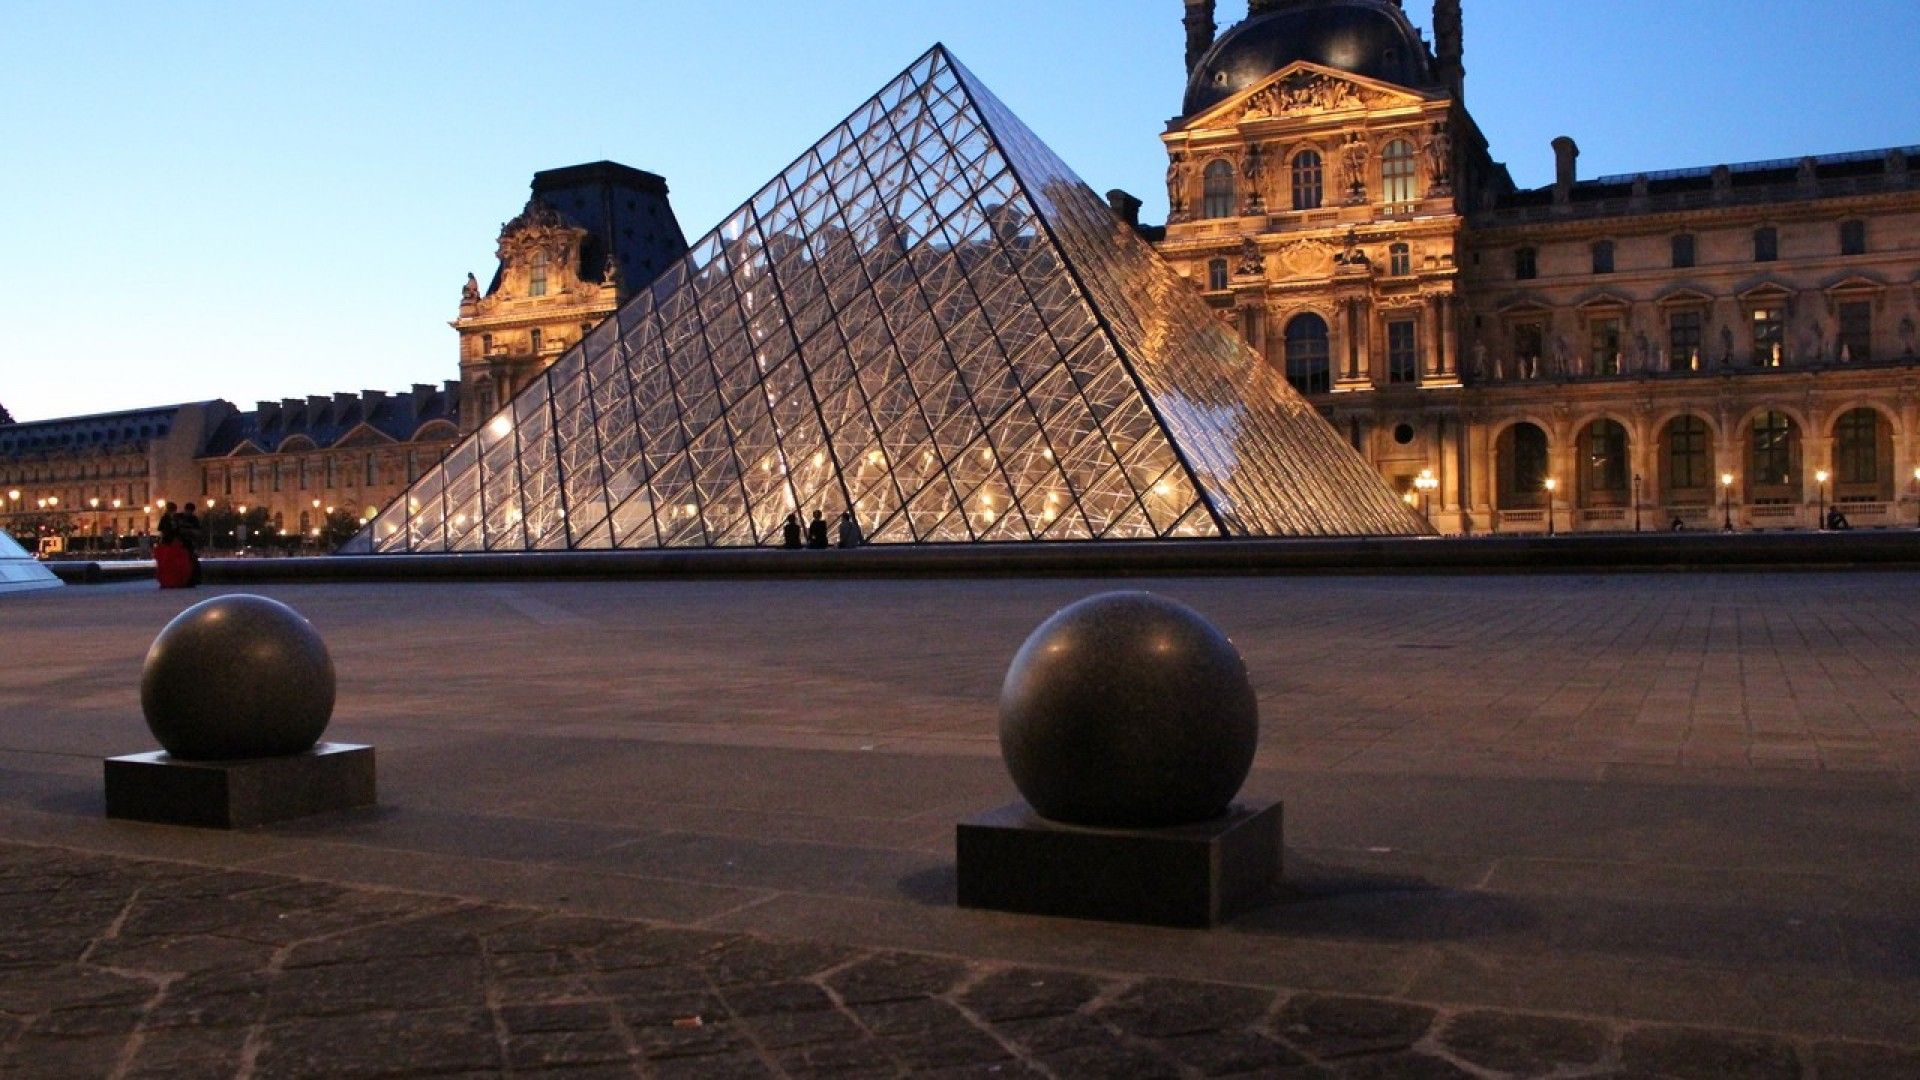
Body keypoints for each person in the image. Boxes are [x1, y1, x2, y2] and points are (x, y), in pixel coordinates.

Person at [178, 502, 204, 586]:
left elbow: (198, 532)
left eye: (190, 511)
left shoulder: (193, 519)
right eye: (188, 511)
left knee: (192, 560)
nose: (189, 513)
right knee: (189, 560)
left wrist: (188, 531)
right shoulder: (179, 517)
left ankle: (193, 578)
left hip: (189, 543)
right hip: (182, 543)